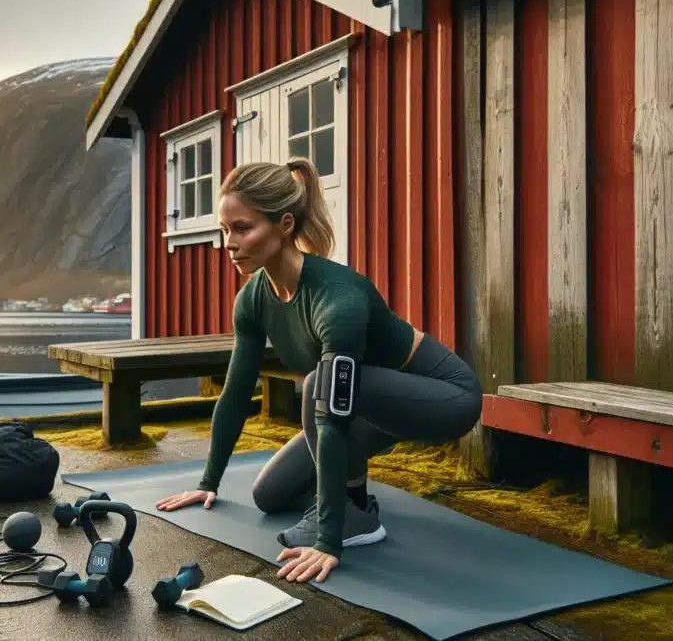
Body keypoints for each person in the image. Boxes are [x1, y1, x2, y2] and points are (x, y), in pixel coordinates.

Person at [153, 157, 483, 584]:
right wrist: (208, 480)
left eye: (242, 228)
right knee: (269, 494)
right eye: (224, 229)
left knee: (317, 389)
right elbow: (236, 392)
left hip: (444, 398)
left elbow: (329, 415)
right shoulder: (253, 299)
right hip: (366, 403)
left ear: (285, 225)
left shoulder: (337, 299)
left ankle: (356, 514)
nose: (228, 243)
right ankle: (341, 504)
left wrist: (328, 541)